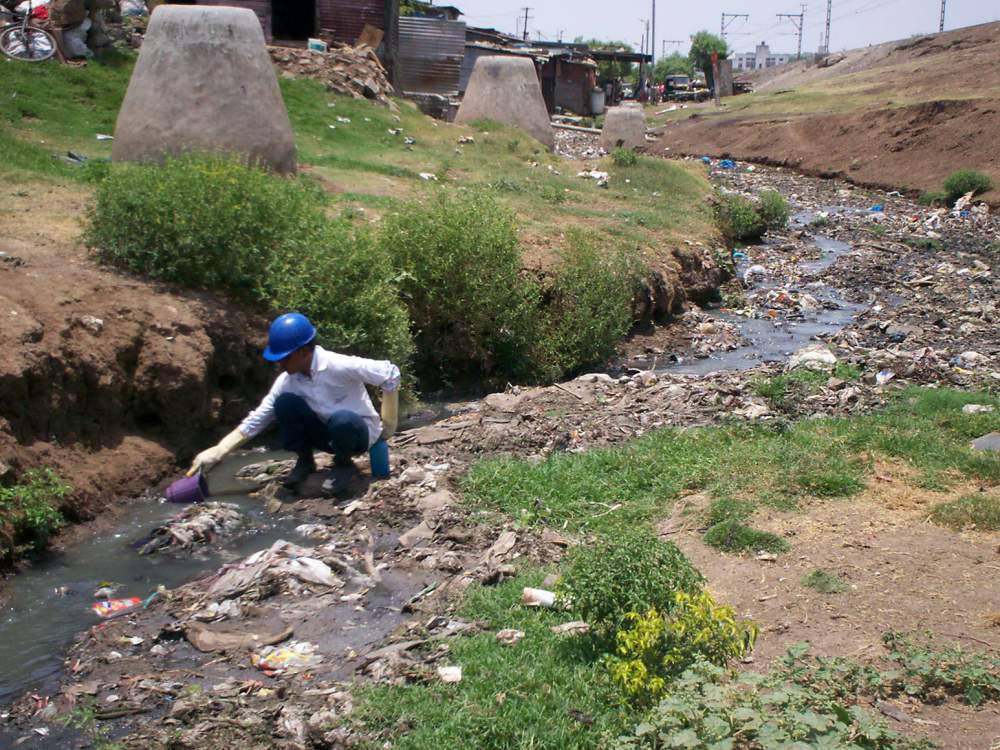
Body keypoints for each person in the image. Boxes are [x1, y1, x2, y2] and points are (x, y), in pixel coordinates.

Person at [188, 312, 400, 493]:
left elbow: (389, 373)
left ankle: (344, 465)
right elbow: (260, 417)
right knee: (285, 404)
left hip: (358, 436)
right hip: (328, 436)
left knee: (342, 419)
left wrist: (388, 424)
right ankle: (305, 461)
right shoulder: (288, 382)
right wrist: (220, 449)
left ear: (304, 352)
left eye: (285, 357)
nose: (280, 363)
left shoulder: (339, 365)